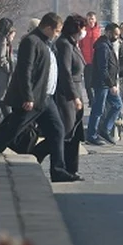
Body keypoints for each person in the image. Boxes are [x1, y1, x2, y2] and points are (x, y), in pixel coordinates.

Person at [0, 13, 79, 183]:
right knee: (12, 130)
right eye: (56, 30)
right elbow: (25, 70)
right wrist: (28, 96)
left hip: (46, 98)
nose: (57, 34)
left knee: (58, 131)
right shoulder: (31, 41)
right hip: (32, 98)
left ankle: (58, 171)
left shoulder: (47, 43)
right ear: (48, 27)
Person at [40, 15, 87, 179]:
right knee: (63, 133)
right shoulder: (64, 45)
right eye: (83, 28)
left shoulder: (74, 45)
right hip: (66, 95)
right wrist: (73, 96)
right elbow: (65, 72)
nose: (85, 32)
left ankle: (71, 169)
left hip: (76, 90)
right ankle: (36, 156)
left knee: (74, 134)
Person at [86, 23, 123, 146]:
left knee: (117, 105)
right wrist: (111, 84)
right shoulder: (103, 46)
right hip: (102, 84)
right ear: (108, 32)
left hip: (108, 83)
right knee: (98, 109)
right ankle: (91, 134)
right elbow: (103, 68)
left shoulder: (107, 45)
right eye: (115, 34)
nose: (117, 37)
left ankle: (105, 129)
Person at [79, 11, 101, 107]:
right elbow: (80, 44)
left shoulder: (99, 30)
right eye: (89, 19)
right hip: (86, 60)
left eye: (92, 19)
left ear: (95, 20)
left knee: (96, 82)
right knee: (88, 83)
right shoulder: (83, 31)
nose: (90, 21)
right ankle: (91, 99)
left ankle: (96, 99)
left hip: (96, 60)